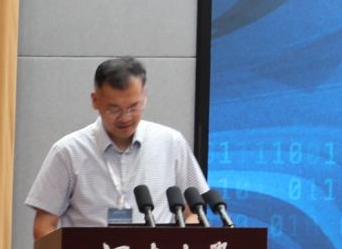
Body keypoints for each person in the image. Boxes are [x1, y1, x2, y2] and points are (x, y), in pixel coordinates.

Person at [25, 57, 207, 238]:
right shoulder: (68, 152)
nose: (125, 118)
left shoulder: (171, 143)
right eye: (114, 109)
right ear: (95, 100)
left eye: (133, 107)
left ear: (144, 97)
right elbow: (44, 226)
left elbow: (193, 213)